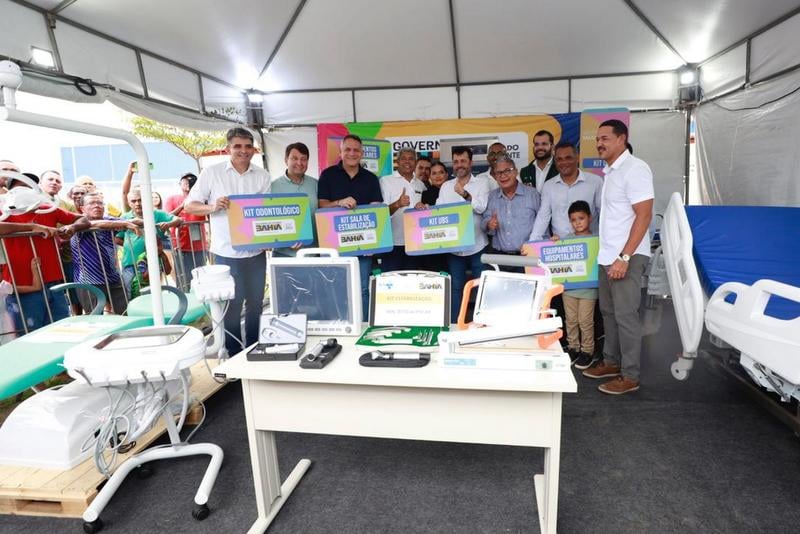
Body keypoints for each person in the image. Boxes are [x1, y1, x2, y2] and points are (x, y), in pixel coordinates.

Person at [582, 120, 654, 395]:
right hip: (608, 256)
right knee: (609, 314)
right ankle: (611, 362)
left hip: (627, 257)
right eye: (597, 139)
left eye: (605, 138)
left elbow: (644, 215)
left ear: (622, 139)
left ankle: (630, 375)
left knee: (625, 316)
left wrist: (624, 256)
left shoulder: (635, 169)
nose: (599, 143)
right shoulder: (610, 172)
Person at [185, 127, 271, 355]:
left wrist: (270, 237)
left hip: (256, 252)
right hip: (226, 253)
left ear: (254, 149)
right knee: (232, 306)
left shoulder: (262, 176)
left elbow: (267, 212)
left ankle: (254, 347)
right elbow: (189, 205)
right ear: (228, 148)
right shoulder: (211, 173)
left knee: (256, 304)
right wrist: (213, 207)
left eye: (248, 146)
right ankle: (233, 352)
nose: (244, 151)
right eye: (238, 146)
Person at [2, 175, 90, 333]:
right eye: (19, 186)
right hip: (22, 286)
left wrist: (72, 228)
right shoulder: (4, 211)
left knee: (61, 330)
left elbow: (83, 219)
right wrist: (31, 228)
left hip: (54, 284)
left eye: (28, 186)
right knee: (28, 334)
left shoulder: (47, 209)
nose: (24, 190)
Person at [318, 134, 383, 319]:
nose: (352, 153)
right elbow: (321, 205)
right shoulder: (328, 175)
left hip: (363, 247)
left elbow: (376, 210)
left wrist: (374, 244)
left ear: (362, 153)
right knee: (336, 289)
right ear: (340, 152)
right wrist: (339, 202)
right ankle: (338, 327)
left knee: (363, 289)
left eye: (356, 150)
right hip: (335, 246)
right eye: (347, 149)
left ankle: (363, 327)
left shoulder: (371, 178)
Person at [436, 147, 489, 320]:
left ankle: (482, 324)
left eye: (463, 161)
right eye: (456, 162)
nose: (459, 165)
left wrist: (465, 194)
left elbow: (482, 208)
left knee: (481, 287)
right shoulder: (446, 186)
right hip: (454, 248)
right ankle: (455, 325)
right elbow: (438, 212)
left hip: (477, 246)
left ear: (470, 163)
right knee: (456, 288)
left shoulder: (481, 183)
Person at [71, 192, 139, 314]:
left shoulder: (109, 220)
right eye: (92, 203)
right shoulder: (79, 222)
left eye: (100, 203)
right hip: (88, 280)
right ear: (82, 208)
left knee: (125, 313)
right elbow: (93, 224)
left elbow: (132, 220)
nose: (97, 205)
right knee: (94, 317)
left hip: (113, 277)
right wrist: (124, 223)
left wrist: (146, 222)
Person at [555, 201, 599, 369]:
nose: (578, 223)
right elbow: (555, 255)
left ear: (590, 218)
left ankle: (587, 351)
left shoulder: (596, 240)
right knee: (571, 320)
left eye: (581, 218)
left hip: (589, 290)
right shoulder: (566, 240)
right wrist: (555, 243)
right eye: (573, 220)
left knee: (585, 321)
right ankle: (573, 348)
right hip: (569, 289)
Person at [529, 141, 603, 241]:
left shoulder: (595, 181)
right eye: (559, 159)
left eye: (568, 158)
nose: (564, 163)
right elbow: (543, 217)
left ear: (577, 158)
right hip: (561, 246)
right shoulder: (549, 186)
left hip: (590, 243)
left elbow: (604, 214)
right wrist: (532, 242)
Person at [115, 187, 181, 298]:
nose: (137, 203)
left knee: (152, 295)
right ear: (129, 203)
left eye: (140, 200)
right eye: (134, 201)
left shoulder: (157, 214)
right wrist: (131, 246)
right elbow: (118, 238)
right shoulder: (125, 217)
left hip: (151, 263)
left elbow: (179, 220)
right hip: (130, 263)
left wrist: (168, 224)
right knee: (129, 295)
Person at [480, 156, 539, 272]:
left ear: (516, 172)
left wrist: (538, 250)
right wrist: (489, 224)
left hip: (527, 257)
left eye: (507, 171)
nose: (503, 175)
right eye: (499, 173)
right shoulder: (492, 196)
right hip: (499, 258)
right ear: (495, 176)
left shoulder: (532, 194)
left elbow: (543, 228)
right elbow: (484, 222)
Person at [41, 170, 81, 315]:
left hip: (65, 256)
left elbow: (79, 220)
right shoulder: (32, 203)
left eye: (57, 181)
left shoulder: (66, 205)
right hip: (39, 257)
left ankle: (76, 318)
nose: (54, 182)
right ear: (40, 183)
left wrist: (71, 229)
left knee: (70, 290)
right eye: (50, 179)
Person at [380, 148, 426, 271]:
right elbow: (381, 214)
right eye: (403, 159)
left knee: (412, 280)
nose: (407, 162)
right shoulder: (386, 181)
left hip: (415, 244)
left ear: (415, 162)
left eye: (411, 159)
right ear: (397, 161)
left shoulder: (420, 184)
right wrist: (398, 204)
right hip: (393, 244)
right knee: (391, 281)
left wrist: (423, 209)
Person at [270, 142, 318, 257]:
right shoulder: (272, 187)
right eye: (294, 158)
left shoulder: (316, 184)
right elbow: (268, 220)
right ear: (286, 160)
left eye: (303, 159)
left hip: (313, 253)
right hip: (283, 254)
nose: (299, 163)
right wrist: (285, 240)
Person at [164, 173, 208, 290]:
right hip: (181, 247)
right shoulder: (172, 199)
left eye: (192, 180)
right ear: (180, 183)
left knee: (201, 279)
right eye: (185, 180)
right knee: (184, 280)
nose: (188, 182)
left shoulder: (202, 199)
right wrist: (182, 206)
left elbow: (210, 215)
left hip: (200, 247)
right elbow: (166, 217)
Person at [417, 161, 449, 273]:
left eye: (441, 172)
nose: (438, 176)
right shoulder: (425, 194)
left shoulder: (455, 191)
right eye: (434, 173)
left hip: (452, 244)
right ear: (430, 177)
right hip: (433, 245)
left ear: (446, 174)